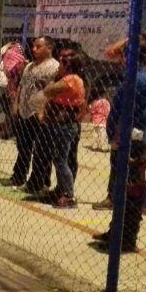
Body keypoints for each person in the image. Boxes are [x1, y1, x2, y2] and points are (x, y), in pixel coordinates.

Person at [92, 33, 146, 212]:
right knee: (133, 168)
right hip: (140, 130)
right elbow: (112, 52)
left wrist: (110, 132)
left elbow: (116, 110)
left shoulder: (134, 79)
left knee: (125, 168)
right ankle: (133, 201)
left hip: (131, 131)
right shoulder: (140, 76)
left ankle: (122, 201)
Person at [5, 36, 59, 193]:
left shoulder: (54, 67)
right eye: (34, 46)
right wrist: (16, 104)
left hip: (40, 113)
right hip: (24, 111)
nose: (34, 49)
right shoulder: (29, 66)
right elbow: (21, 86)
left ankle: (43, 180)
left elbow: (53, 92)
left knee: (42, 149)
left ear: (49, 48)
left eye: (39, 47)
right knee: (23, 146)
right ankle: (19, 175)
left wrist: (45, 111)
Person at [41, 51, 86, 208]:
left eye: (62, 63)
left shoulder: (71, 79)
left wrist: (53, 79)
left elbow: (47, 91)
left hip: (65, 125)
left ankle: (68, 195)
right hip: (63, 125)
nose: (59, 66)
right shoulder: (72, 79)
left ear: (68, 65)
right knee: (60, 159)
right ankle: (62, 190)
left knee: (61, 160)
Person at [0, 41, 27, 139]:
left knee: (9, 112)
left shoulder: (7, 56)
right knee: (11, 111)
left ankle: (8, 131)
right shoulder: (17, 59)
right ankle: (9, 131)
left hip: (10, 87)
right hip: (11, 87)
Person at [88, 88, 111, 152]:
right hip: (103, 121)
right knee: (102, 134)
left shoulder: (96, 102)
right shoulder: (107, 102)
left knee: (95, 134)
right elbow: (108, 112)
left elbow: (92, 110)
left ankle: (95, 146)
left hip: (95, 120)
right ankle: (102, 147)